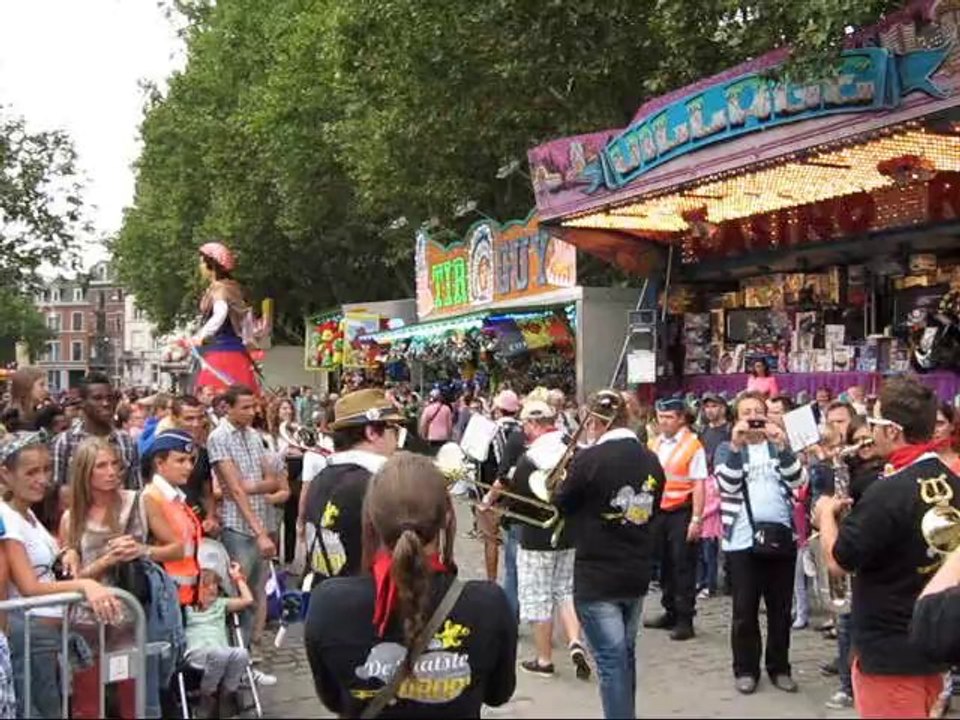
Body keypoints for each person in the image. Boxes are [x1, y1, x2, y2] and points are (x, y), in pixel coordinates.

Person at [305, 452, 517, 718]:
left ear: (370, 520)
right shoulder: (488, 604)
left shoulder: (328, 603)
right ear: (448, 518)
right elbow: (498, 694)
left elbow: (333, 700)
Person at [815, 376, 960, 718]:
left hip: (890, 653)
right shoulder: (952, 481)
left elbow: (838, 561)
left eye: (875, 422)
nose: (870, 431)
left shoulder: (886, 493)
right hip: (933, 644)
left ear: (893, 431)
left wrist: (825, 517)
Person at [553, 391, 663, 719]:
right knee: (625, 654)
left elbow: (561, 503)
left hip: (597, 573)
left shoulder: (589, 459)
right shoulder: (651, 459)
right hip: (636, 571)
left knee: (611, 661)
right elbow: (653, 509)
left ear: (597, 422)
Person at [59, 436, 182, 719]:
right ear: (85, 472)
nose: (111, 472)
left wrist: (142, 550)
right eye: (101, 466)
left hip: (131, 617)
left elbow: (178, 548)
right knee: (88, 705)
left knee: (131, 700)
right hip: (87, 621)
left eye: (115, 464)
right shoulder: (71, 517)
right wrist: (107, 560)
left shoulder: (139, 502)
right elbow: (73, 579)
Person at [0, 432, 120, 719]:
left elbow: (41, 561)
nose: (42, 479)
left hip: (48, 639)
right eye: (31, 472)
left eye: (46, 470)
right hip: (30, 640)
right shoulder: (7, 518)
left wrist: (67, 552)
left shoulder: (28, 515)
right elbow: (29, 587)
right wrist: (86, 584)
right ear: (5, 474)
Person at [715, 391, 802, 695]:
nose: (753, 418)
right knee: (744, 610)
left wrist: (783, 447)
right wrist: (736, 446)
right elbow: (727, 485)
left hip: (781, 538)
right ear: (736, 419)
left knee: (780, 609)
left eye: (758, 411)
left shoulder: (778, 446)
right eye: (746, 412)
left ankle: (780, 667)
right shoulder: (726, 449)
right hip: (741, 541)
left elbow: (798, 481)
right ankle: (746, 669)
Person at [506, 395, 590, 679]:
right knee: (565, 590)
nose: (523, 430)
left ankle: (544, 660)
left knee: (537, 596)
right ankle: (575, 641)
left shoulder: (530, 458)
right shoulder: (574, 449)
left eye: (525, 425)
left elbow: (516, 503)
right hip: (569, 533)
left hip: (536, 536)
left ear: (534, 424)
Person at [302, 389, 403, 585]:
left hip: (323, 592)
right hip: (367, 595)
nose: (396, 439)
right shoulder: (380, 484)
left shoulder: (321, 477)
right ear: (372, 432)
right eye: (394, 429)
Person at [206, 384, 280, 647]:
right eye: (245, 407)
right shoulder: (219, 437)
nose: (252, 412)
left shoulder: (253, 435)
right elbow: (235, 490)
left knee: (258, 592)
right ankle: (237, 650)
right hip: (238, 527)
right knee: (240, 591)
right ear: (228, 408)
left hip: (261, 518)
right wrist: (259, 533)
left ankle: (249, 648)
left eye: (254, 406)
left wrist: (252, 486)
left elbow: (272, 481)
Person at [644, 397, 707, 641]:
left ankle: (685, 619)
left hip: (682, 511)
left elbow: (699, 483)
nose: (664, 422)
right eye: (661, 417)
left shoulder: (693, 445)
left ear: (681, 419)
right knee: (664, 564)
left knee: (683, 565)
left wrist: (697, 518)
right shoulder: (654, 443)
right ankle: (669, 610)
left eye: (669, 417)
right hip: (658, 511)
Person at [52, 372, 140, 512]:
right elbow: (55, 491)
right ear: (83, 403)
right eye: (97, 398)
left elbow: (135, 490)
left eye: (110, 398)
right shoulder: (64, 442)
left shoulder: (127, 442)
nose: (106, 403)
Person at [476, 389, 525, 617]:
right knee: (515, 553)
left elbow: (478, 459)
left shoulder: (489, 429)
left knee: (491, 540)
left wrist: (485, 496)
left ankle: (492, 584)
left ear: (498, 408)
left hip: (493, 490)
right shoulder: (524, 431)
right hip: (516, 496)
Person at [185, 562, 255, 719]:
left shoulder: (220, 604)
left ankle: (226, 697)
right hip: (197, 654)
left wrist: (237, 577)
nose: (212, 589)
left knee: (242, 654)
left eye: (215, 585)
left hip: (222, 654)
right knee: (219, 654)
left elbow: (248, 600)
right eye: (206, 585)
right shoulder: (186, 609)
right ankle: (207, 696)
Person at [142, 430, 204, 605]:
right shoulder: (152, 497)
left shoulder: (176, 498)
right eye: (180, 461)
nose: (189, 467)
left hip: (185, 596)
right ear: (160, 463)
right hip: (165, 596)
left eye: (191, 460)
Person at [191, 242, 260, 394]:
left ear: (212, 265)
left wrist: (200, 336)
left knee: (214, 395)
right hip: (235, 352)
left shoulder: (220, 288)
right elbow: (245, 318)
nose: (200, 267)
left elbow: (220, 314)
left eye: (202, 263)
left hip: (222, 354)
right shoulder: (232, 287)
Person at [0, 367, 49, 432]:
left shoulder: (38, 413)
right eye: (41, 385)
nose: (46, 389)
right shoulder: (12, 418)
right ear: (26, 387)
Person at [418, 388, 453, 453]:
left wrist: (423, 434)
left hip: (432, 436)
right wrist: (450, 435)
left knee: (433, 454)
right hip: (444, 437)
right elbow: (450, 425)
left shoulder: (428, 409)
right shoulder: (447, 409)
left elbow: (423, 423)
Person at [935, 403, 960, 474]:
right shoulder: (916, 460)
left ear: (952, 426)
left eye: (939, 423)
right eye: (929, 424)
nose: (934, 429)